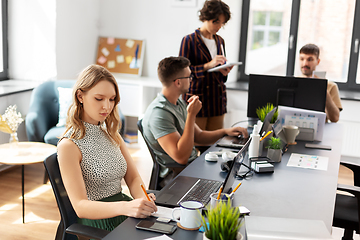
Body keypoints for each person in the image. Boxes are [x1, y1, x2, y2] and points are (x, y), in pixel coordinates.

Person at [57, 64, 157, 231]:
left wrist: (143, 198)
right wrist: (127, 207)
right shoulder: (69, 145)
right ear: (80, 96)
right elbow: (80, 206)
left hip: (124, 210)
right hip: (98, 222)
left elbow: (133, 178)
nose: (107, 106)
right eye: (99, 98)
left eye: (111, 99)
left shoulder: (111, 134)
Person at [142, 56, 248, 185]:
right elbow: (181, 157)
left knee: (236, 175)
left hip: (192, 166)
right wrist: (191, 115)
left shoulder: (177, 103)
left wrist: (225, 131)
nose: (191, 80)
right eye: (189, 77)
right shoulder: (159, 113)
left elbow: (199, 136)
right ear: (178, 82)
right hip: (178, 175)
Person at [179, 0, 232, 131]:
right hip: (197, 99)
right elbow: (181, 72)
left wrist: (223, 71)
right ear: (205, 17)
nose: (219, 26)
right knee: (195, 142)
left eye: (222, 23)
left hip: (217, 100)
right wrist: (207, 65)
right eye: (216, 21)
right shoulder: (189, 40)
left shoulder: (220, 41)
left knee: (215, 143)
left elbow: (217, 69)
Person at [299, 43, 342, 122]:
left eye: (310, 59)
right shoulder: (293, 83)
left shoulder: (331, 86)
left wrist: (322, 89)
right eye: (302, 59)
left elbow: (335, 119)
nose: (305, 63)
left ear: (317, 61)